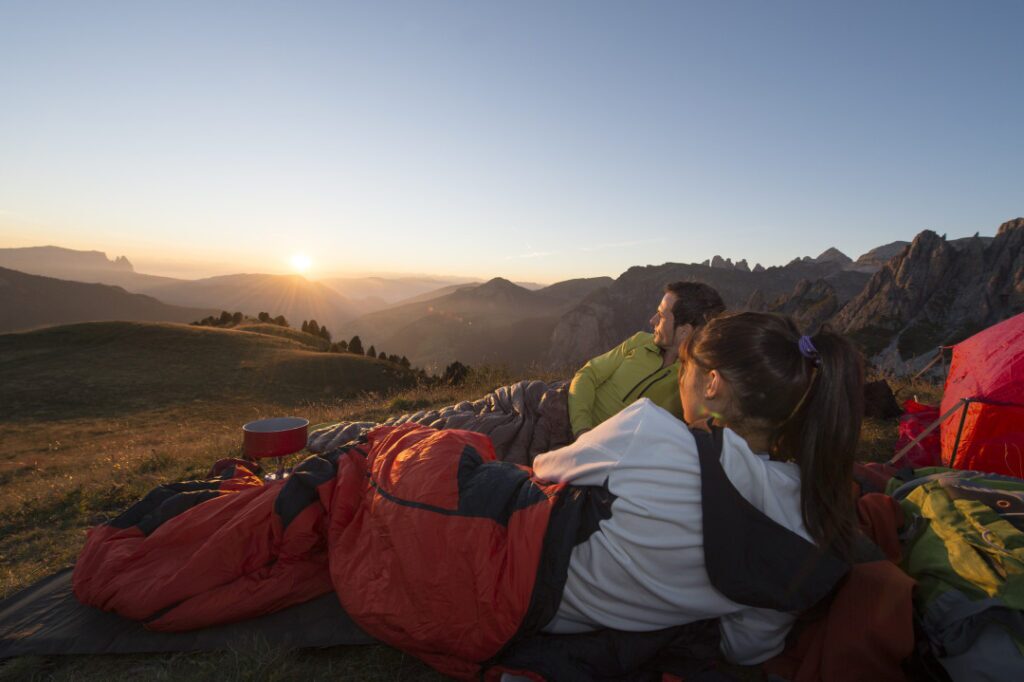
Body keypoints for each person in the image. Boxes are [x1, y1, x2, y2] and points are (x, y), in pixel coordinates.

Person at [533, 311, 864, 664]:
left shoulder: (648, 429)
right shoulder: (809, 528)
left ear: (712, 384)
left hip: (537, 587)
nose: (679, 379)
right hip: (579, 632)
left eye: (685, 369)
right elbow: (745, 649)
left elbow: (545, 468)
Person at [567, 281, 725, 438]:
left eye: (661, 316)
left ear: (684, 331)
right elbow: (588, 373)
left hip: (609, 452)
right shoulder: (640, 341)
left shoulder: (694, 381)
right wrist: (582, 430)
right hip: (572, 418)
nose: (652, 321)